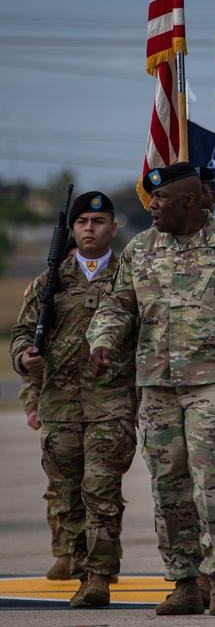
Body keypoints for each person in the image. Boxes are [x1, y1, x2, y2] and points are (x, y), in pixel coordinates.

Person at [87, 163, 215, 617]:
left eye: (160, 199)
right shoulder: (139, 249)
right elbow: (117, 306)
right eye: (151, 199)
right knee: (168, 485)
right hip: (157, 385)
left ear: (192, 201)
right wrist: (101, 341)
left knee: (211, 482)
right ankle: (183, 582)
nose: (152, 206)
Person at [10, 193, 137, 609]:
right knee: (67, 498)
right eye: (82, 221)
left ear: (113, 228)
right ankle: (82, 570)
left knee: (100, 490)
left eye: (98, 221)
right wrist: (23, 357)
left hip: (111, 403)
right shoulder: (51, 280)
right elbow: (22, 332)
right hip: (60, 407)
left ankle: (99, 576)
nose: (88, 228)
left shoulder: (130, 277)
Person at [19, 236, 77, 583]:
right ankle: (64, 553)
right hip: (57, 402)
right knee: (59, 487)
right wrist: (31, 403)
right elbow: (32, 352)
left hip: (101, 400)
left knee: (100, 487)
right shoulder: (45, 290)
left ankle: (101, 558)